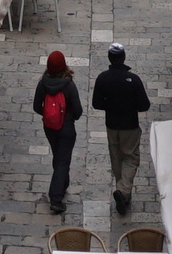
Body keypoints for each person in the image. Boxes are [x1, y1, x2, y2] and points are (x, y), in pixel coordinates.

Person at [92, 44, 154, 217]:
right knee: (131, 158)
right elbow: (144, 105)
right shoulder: (133, 80)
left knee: (117, 158)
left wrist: (111, 105)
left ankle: (123, 193)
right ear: (123, 57)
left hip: (111, 125)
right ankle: (123, 190)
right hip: (129, 126)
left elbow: (96, 103)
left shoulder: (102, 78)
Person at [30, 50, 85, 215]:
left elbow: (35, 106)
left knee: (59, 156)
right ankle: (56, 198)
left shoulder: (43, 84)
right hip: (66, 128)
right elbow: (78, 110)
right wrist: (69, 119)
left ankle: (63, 182)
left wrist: (48, 116)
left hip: (49, 128)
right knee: (62, 161)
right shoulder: (69, 85)